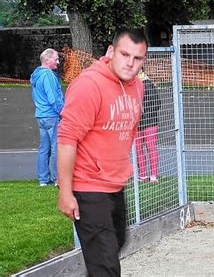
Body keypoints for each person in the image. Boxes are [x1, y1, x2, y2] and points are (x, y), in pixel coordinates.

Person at [57, 29, 148, 276]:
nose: (130, 63)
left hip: (114, 183)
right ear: (111, 52)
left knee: (117, 242)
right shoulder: (89, 85)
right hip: (87, 186)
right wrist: (65, 192)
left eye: (138, 58)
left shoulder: (137, 86)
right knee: (106, 265)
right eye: (125, 54)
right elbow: (66, 140)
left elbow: (128, 130)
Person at [30, 48, 64, 187]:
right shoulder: (48, 75)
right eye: (56, 59)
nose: (58, 62)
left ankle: (43, 179)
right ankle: (57, 179)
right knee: (56, 147)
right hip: (52, 116)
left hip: (41, 116)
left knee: (44, 148)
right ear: (47, 60)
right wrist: (63, 112)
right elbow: (53, 98)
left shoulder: (36, 75)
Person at [136, 71, 161, 183]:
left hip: (148, 122)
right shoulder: (134, 84)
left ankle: (152, 175)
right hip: (139, 122)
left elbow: (156, 103)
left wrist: (143, 114)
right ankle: (144, 175)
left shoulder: (146, 85)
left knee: (148, 149)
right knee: (140, 149)